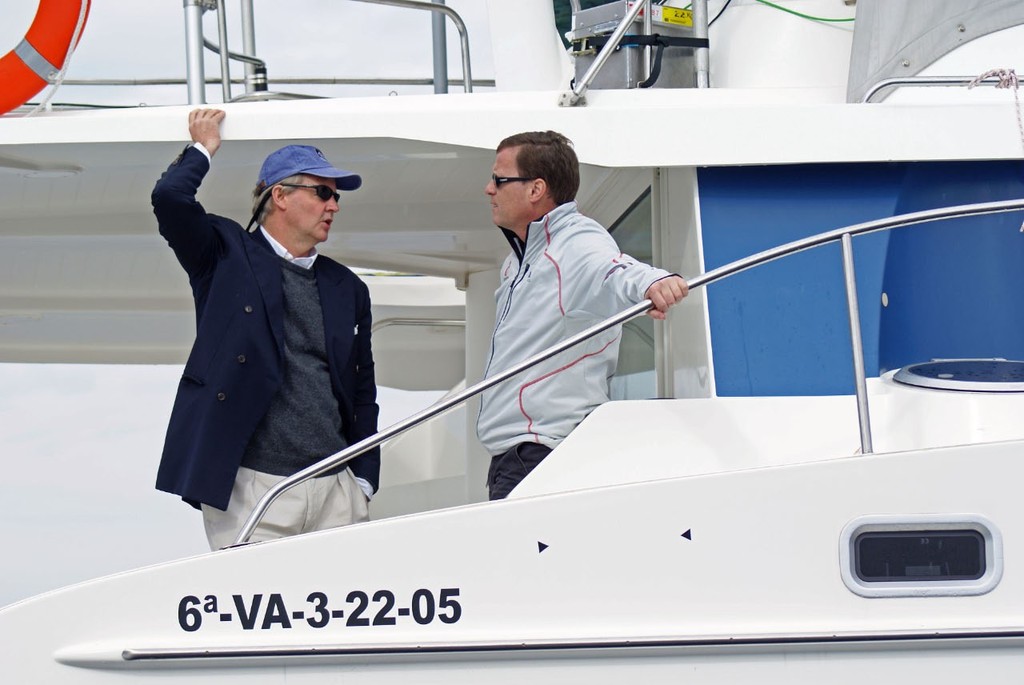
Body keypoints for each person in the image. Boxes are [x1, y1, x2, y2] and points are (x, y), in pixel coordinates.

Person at [152, 108, 380, 550]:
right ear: (280, 195)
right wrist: (203, 148)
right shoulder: (223, 254)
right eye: (321, 192)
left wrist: (364, 479)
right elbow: (170, 199)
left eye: (336, 196)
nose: (333, 205)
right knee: (252, 616)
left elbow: (362, 390)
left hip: (337, 490)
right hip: (251, 488)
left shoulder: (348, 288)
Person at [477, 130, 689, 500]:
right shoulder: (518, 261)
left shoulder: (575, 242)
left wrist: (655, 282)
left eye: (499, 179)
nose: (488, 189)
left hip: (539, 454)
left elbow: (614, 269)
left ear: (535, 189)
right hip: (516, 456)